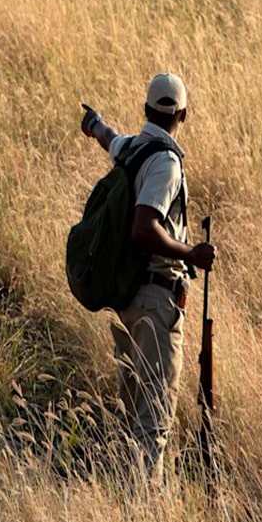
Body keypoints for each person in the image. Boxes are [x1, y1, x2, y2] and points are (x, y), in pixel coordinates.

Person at [79, 73, 215, 482]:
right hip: (157, 306)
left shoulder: (135, 149)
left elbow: (110, 139)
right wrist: (191, 253)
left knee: (134, 415)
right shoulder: (167, 164)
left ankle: (127, 508)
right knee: (152, 424)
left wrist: (95, 124)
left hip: (130, 299)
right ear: (184, 115)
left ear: (146, 110)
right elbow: (144, 227)